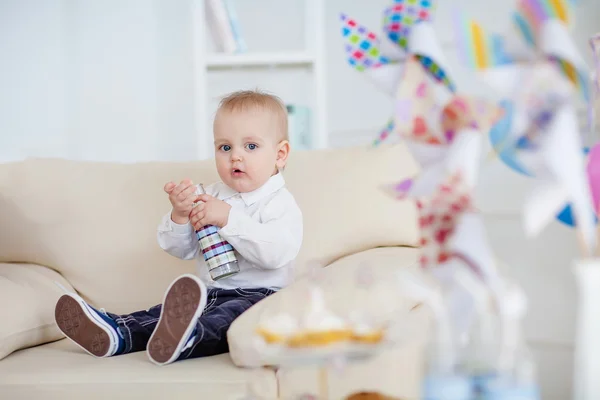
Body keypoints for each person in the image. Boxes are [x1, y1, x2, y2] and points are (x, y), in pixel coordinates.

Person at [54, 89, 303, 365]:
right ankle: (117, 332)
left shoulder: (279, 203)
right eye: (225, 147)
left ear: (280, 154)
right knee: (162, 315)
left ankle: (187, 339)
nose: (235, 157)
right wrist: (181, 215)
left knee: (223, 321)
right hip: (208, 292)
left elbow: (276, 254)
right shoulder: (210, 195)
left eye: (251, 146)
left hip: (261, 297)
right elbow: (181, 249)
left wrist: (228, 218)